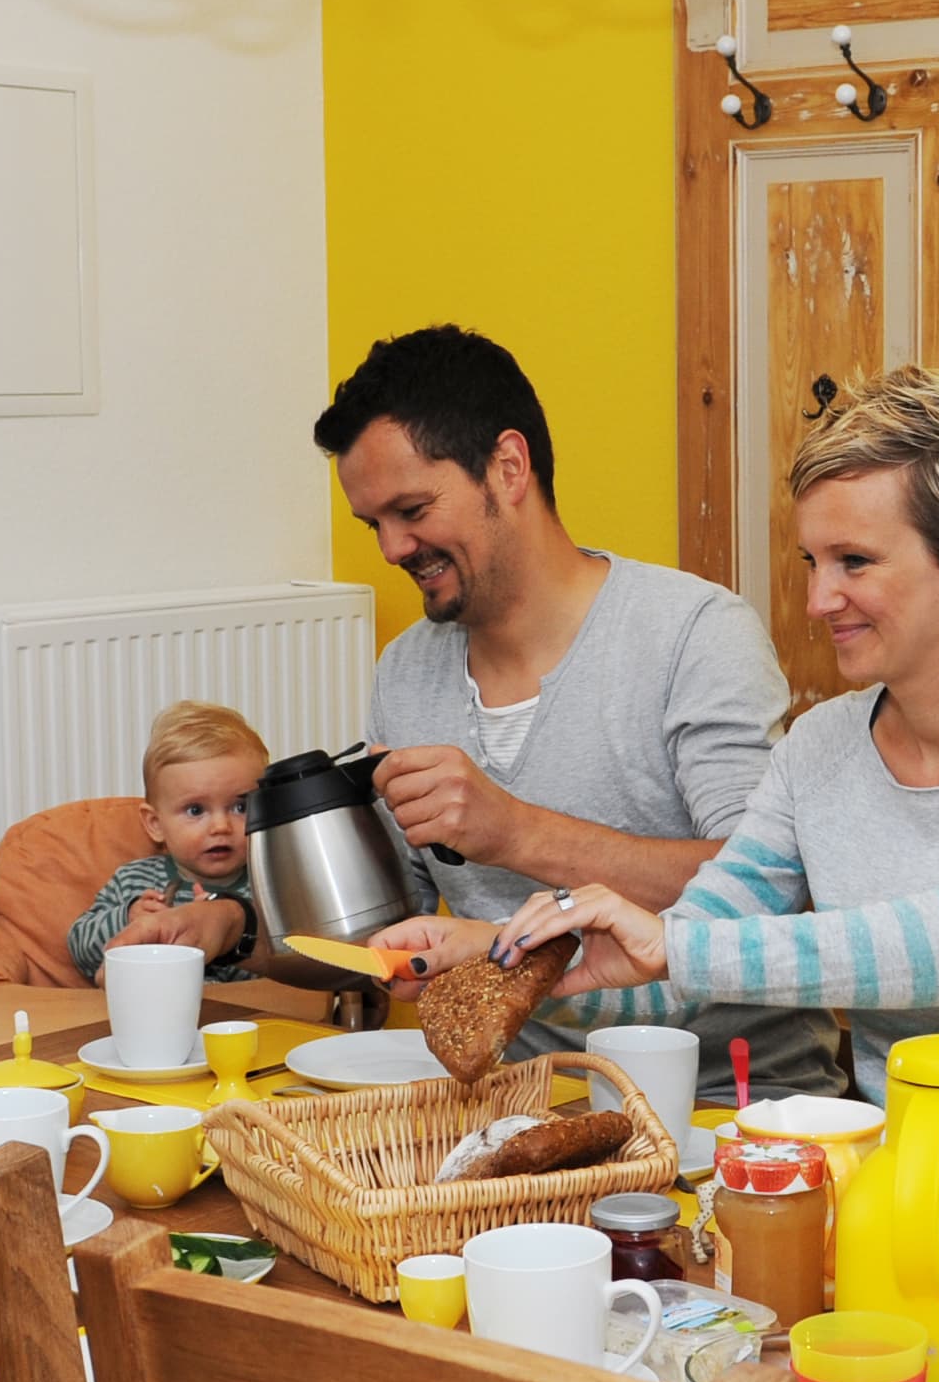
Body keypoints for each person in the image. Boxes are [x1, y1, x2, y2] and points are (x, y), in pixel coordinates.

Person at [375, 367, 939, 1192]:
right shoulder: (818, 749)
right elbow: (676, 976)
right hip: (911, 1206)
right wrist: (515, 962)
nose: (818, 598)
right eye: (812, 560)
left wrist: (672, 945)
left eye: (853, 560)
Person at [317, 325, 839, 1094]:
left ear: (508, 466)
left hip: (727, 1097)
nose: (392, 548)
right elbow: (381, 919)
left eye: (412, 508)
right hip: (520, 1096)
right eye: (374, 525)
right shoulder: (405, 672)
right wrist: (230, 918)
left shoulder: (692, 633)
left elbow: (768, 883)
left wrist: (514, 830)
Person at [67, 698, 268, 985]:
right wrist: (127, 916)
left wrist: (221, 932)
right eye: (196, 810)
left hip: (242, 1022)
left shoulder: (268, 888)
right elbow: (79, 946)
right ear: (155, 824)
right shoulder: (134, 880)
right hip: (154, 1015)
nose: (221, 826)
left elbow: (289, 965)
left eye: (240, 807)